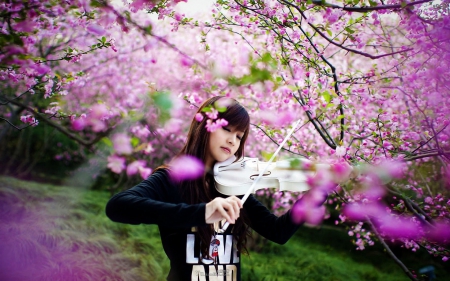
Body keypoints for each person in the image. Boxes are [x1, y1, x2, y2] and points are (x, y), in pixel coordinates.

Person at [106, 96, 303, 281]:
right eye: (227, 129)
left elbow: (278, 232)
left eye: (239, 136)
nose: (233, 140)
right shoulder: (171, 179)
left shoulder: (232, 184)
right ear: (205, 126)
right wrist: (203, 212)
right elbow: (117, 206)